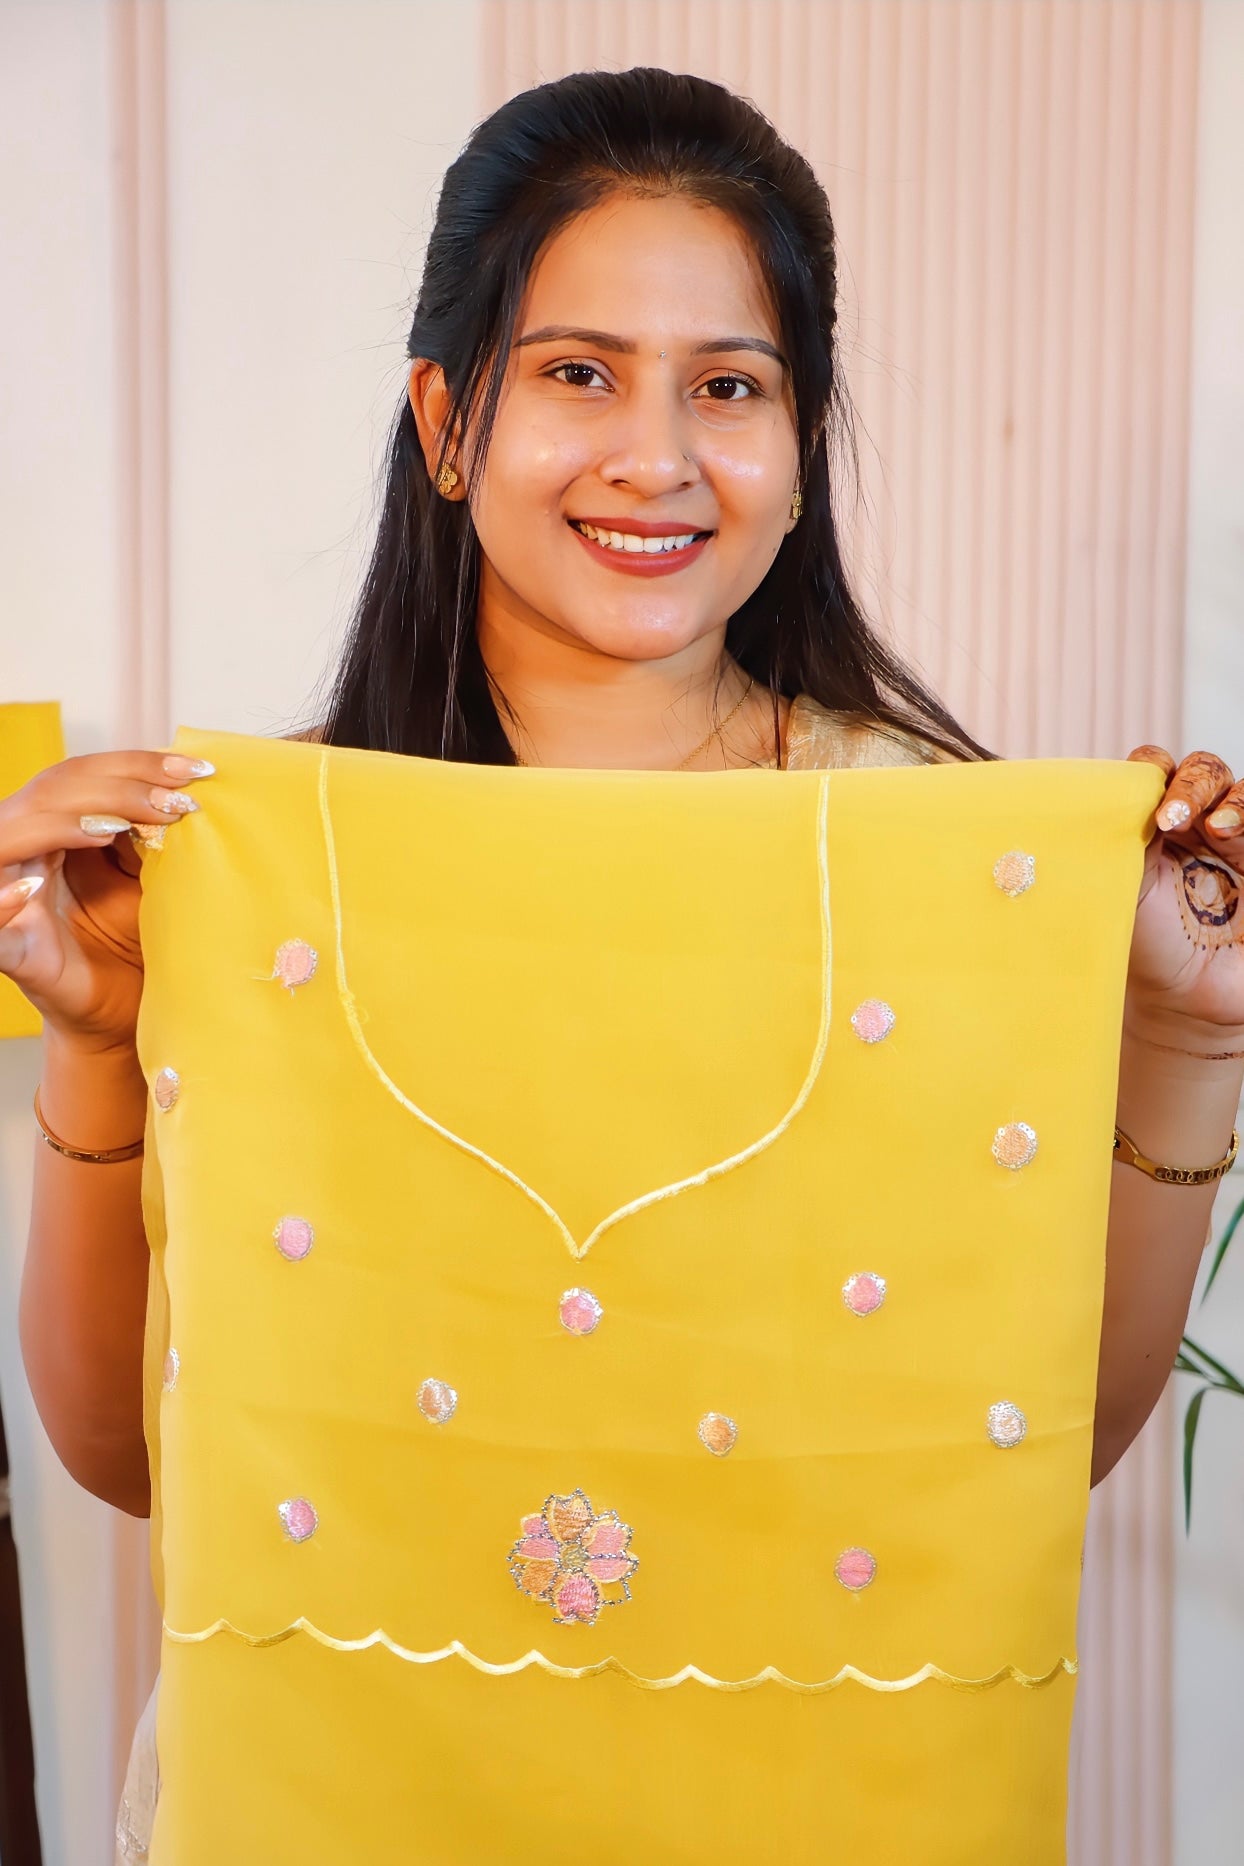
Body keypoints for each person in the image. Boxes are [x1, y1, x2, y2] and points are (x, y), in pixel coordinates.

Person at [0, 66, 1240, 1863]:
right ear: (445, 418)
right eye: (578, 371)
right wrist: (104, 1040)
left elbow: (1023, 1441)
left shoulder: (932, 853)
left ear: (801, 445)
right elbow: (128, 1457)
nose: (655, 455)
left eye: (728, 387)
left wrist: (1185, 1037)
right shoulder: (271, 871)